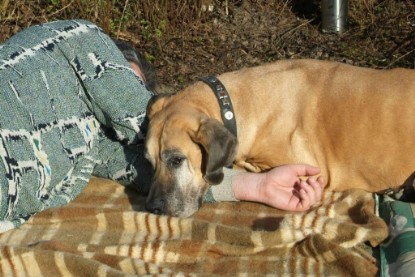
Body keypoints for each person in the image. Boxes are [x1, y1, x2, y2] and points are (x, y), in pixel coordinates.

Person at [0, 20, 324, 233]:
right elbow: (143, 117)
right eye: (127, 81)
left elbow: (138, 166)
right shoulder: (79, 41)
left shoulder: (94, 147)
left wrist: (259, 186)